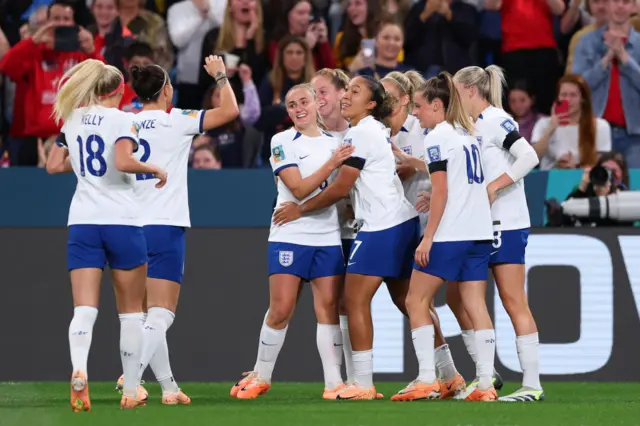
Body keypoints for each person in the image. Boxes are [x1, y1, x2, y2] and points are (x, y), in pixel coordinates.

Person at [273, 75, 420, 400]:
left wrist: (301, 210)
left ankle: (364, 383)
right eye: (347, 89)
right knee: (411, 301)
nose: (345, 96)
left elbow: (340, 187)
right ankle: (443, 372)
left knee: (352, 301)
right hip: (400, 219)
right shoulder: (372, 130)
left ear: (370, 104)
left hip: (382, 226)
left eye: (355, 91)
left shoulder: (361, 132)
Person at [113, 56, 239, 405]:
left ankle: (169, 388)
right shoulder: (178, 120)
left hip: (128, 225)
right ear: (167, 90)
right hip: (164, 224)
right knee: (162, 312)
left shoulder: (126, 122)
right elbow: (229, 111)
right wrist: (220, 76)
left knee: (144, 314)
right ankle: (132, 376)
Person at [45, 59, 168, 411]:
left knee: (84, 308)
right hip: (122, 220)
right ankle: (130, 391)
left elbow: (53, 165)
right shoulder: (124, 120)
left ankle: (80, 369)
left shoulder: (72, 118)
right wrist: (154, 168)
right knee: (131, 312)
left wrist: (82, 163)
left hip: (82, 221)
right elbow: (124, 161)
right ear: (118, 90)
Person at [230, 84, 354, 400]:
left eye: (303, 101)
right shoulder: (281, 141)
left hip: (327, 236)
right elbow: (298, 189)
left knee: (327, 310)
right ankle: (261, 374)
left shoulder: (337, 143)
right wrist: (333, 164)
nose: (298, 108)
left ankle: (333, 383)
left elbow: (341, 192)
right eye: (291, 105)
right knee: (281, 308)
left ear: (316, 103)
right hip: (290, 235)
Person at [391, 72, 495, 402]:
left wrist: (427, 238)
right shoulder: (467, 136)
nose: (416, 113)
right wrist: (416, 163)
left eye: (419, 106)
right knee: (475, 305)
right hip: (480, 231)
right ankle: (485, 385)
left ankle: (426, 378)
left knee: (415, 300)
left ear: (437, 105)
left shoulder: (437, 138)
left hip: (452, 233)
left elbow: (441, 192)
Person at [452, 65, 543, 402]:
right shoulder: (470, 126)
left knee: (512, 300)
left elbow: (528, 156)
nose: (453, 100)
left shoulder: (495, 120)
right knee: (466, 297)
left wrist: (494, 187)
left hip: (506, 221)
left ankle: (532, 384)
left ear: (471, 91)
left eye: (457, 93)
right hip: (479, 223)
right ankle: (485, 377)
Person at [382, 70, 466, 399]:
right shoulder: (374, 132)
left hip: (422, 225)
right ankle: (457, 377)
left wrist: (408, 164)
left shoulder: (428, 131)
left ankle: (432, 377)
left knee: (414, 300)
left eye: (388, 95)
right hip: (410, 225)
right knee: (411, 301)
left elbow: (442, 177)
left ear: (407, 100)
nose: (381, 101)